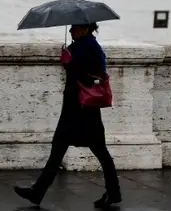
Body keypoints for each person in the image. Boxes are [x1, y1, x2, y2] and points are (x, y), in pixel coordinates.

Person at [14, 22, 122, 208]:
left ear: (85, 29)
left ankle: (37, 193)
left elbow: (89, 76)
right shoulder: (80, 47)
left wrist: (69, 63)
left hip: (81, 109)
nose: (71, 30)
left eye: (75, 27)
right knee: (79, 151)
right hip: (79, 108)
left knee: (77, 150)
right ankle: (113, 193)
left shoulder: (91, 48)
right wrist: (69, 60)